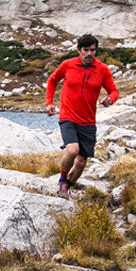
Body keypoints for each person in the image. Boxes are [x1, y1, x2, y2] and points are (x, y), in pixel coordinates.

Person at [45, 33, 119, 197]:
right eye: (85, 50)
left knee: (81, 162)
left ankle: (66, 187)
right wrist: (49, 102)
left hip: (88, 121)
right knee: (72, 150)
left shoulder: (102, 70)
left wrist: (110, 99)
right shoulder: (68, 65)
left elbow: (114, 91)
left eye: (92, 50)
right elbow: (52, 81)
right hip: (68, 116)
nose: (89, 54)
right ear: (79, 50)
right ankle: (62, 181)